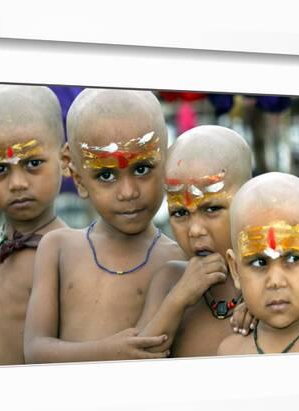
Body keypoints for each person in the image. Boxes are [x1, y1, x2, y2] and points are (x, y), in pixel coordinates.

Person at [23, 88, 186, 363]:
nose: (128, 192)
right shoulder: (58, 247)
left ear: (167, 161)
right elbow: (35, 351)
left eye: (142, 168)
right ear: (76, 175)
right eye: (106, 174)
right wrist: (110, 352)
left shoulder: (178, 260)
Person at [136, 125, 253, 357]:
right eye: (180, 213)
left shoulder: (270, 278)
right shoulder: (169, 281)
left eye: (211, 208)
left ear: (247, 201)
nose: (195, 230)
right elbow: (135, 363)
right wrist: (178, 299)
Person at [0, 84, 67, 366]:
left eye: (32, 163)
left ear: (65, 161)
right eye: (0, 168)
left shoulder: (76, 254)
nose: (17, 183)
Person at [217, 172, 299, 355]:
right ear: (235, 270)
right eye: (259, 262)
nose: (275, 281)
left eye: (292, 258)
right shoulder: (230, 352)